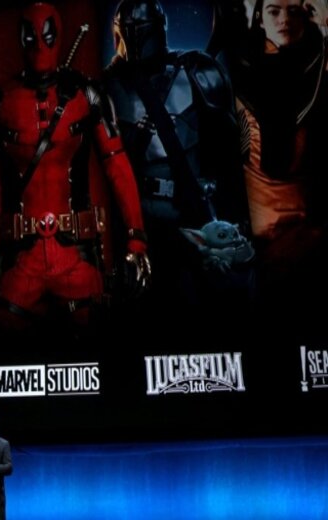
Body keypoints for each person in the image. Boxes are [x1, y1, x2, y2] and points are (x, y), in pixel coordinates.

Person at [0, 2, 150, 332]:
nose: (39, 45)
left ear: (57, 36)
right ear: (21, 39)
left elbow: (117, 164)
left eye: (46, 36)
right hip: (19, 261)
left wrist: (136, 240)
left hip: (77, 257)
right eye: (31, 37)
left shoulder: (87, 95)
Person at [103, 0, 254, 316]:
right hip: (137, 225)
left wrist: (232, 218)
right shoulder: (108, 88)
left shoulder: (199, 72)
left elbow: (232, 154)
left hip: (193, 217)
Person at [228, 0, 328, 307]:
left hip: (308, 229)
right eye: (274, 11)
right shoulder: (242, 67)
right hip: (262, 235)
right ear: (260, 18)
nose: (284, 20)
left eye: (293, 11)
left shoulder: (320, 64)